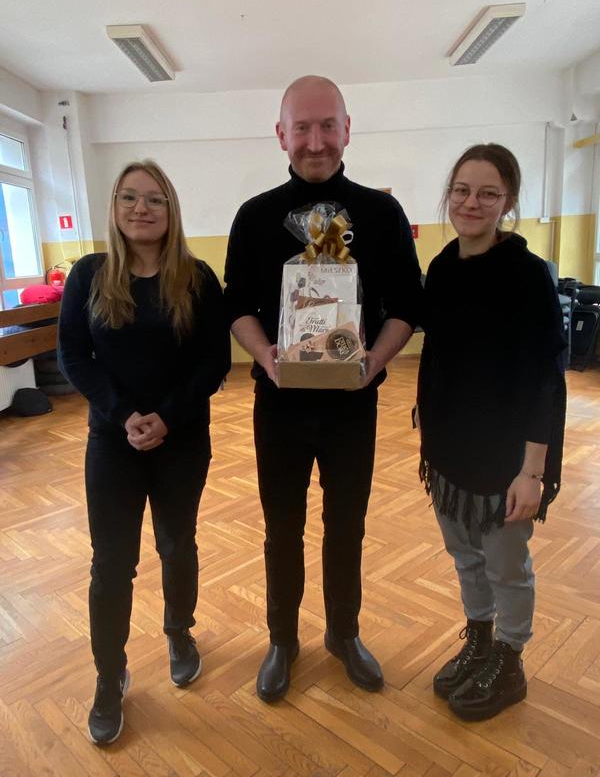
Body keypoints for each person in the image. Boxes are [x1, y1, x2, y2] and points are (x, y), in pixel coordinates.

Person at [224, 75, 422, 702]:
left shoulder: (382, 214)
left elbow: (407, 305)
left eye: (327, 126)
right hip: (279, 404)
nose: (316, 141)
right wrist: (267, 356)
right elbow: (236, 304)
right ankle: (282, 640)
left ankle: (343, 633)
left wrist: (374, 362)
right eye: (302, 128)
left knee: (347, 525)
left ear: (347, 129)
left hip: (352, 406)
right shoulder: (255, 216)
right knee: (281, 528)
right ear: (281, 134)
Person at [58, 160, 230, 744]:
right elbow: (73, 356)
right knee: (111, 564)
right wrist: (124, 415)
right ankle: (109, 675)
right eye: (129, 197)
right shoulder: (89, 275)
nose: (141, 208)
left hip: (182, 438)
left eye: (154, 199)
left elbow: (214, 360)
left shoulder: (197, 277)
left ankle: (179, 632)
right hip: (113, 441)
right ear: (114, 207)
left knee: (177, 544)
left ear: (171, 209)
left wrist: (168, 416)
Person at [417, 143, 566, 721]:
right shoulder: (442, 267)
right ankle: (479, 639)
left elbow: (544, 379)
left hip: (507, 457)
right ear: (448, 195)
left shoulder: (527, 275)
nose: (471, 203)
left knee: (506, 565)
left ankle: (509, 657)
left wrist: (533, 471)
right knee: (465, 556)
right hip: (450, 452)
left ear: (508, 201)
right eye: (462, 190)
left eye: (487, 193)